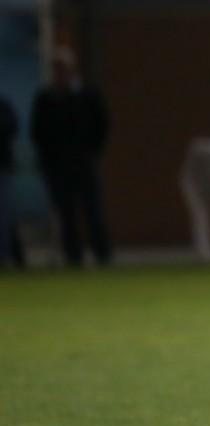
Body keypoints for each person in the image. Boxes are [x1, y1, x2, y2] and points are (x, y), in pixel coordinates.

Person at [30, 47, 112, 266]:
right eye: (56, 69)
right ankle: (73, 255)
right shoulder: (46, 98)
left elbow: (102, 125)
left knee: (92, 209)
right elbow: (37, 131)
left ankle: (102, 254)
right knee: (66, 213)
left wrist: (93, 151)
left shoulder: (88, 94)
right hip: (57, 165)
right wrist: (48, 158)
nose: (60, 73)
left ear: (72, 70)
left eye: (63, 69)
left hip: (84, 162)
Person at [0, 93, 20, 268]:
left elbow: (11, 128)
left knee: (4, 215)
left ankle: (7, 257)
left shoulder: (3, 106)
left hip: (2, 166)